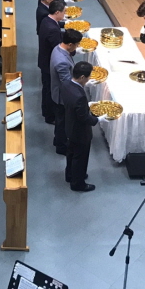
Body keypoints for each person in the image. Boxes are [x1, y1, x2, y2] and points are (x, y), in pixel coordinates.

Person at [63, 61, 98, 192]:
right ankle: (78, 183)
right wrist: (98, 119)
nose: (88, 80)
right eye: (88, 77)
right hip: (80, 132)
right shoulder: (79, 96)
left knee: (71, 154)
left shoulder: (66, 84)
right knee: (80, 158)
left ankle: (70, 175)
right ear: (82, 77)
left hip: (69, 126)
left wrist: (85, 106)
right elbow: (84, 117)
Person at [50, 29, 82, 155]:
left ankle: (57, 141)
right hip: (61, 97)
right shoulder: (62, 62)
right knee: (63, 123)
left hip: (56, 91)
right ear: (70, 45)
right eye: (76, 45)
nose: (77, 47)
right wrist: (82, 82)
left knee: (60, 122)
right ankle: (61, 147)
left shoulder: (57, 48)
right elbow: (67, 83)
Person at [38, 0, 65, 123]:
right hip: (49, 63)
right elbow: (58, 48)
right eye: (63, 12)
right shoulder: (52, 29)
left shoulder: (46, 20)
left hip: (44, 60)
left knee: (47, 88)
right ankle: (49, 116)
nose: (64, 14)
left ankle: (47, 112)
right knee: (50, 90)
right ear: (57, 12)